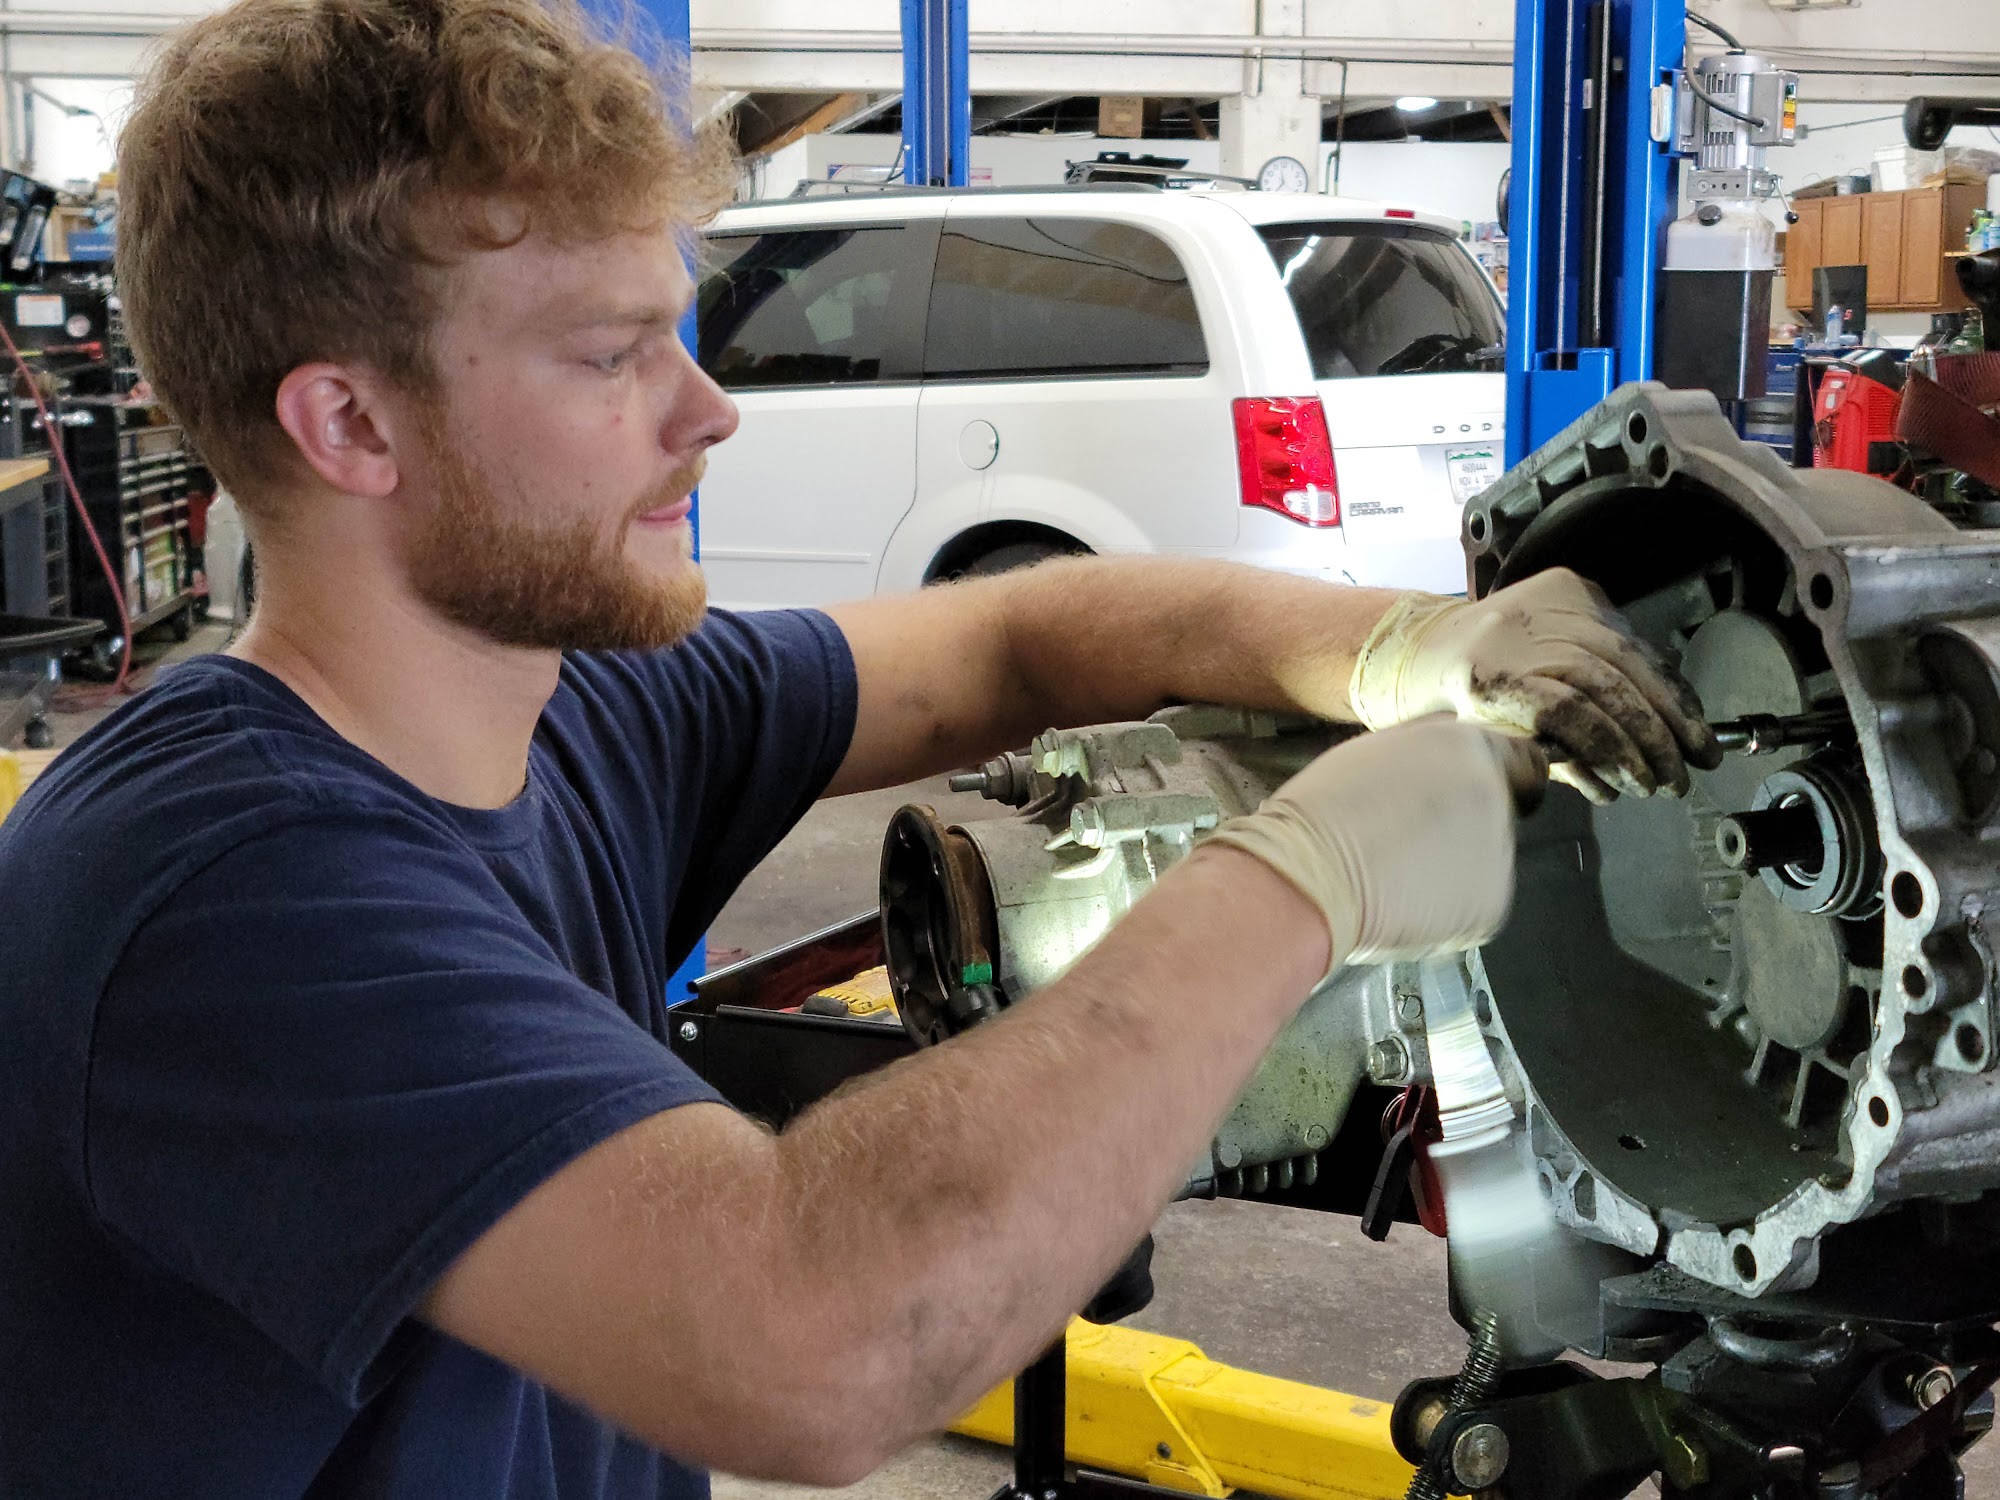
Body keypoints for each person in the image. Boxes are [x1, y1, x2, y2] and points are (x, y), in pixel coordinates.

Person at [0, 1, 1717, 1495]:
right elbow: (813, 1338)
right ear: (350, 422)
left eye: (678, 330)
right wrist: (1308, 876)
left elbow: (1014, 637)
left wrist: (1405, 645)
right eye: (608, 357)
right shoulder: (218, 892)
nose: (707, 411)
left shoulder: (577, 705)